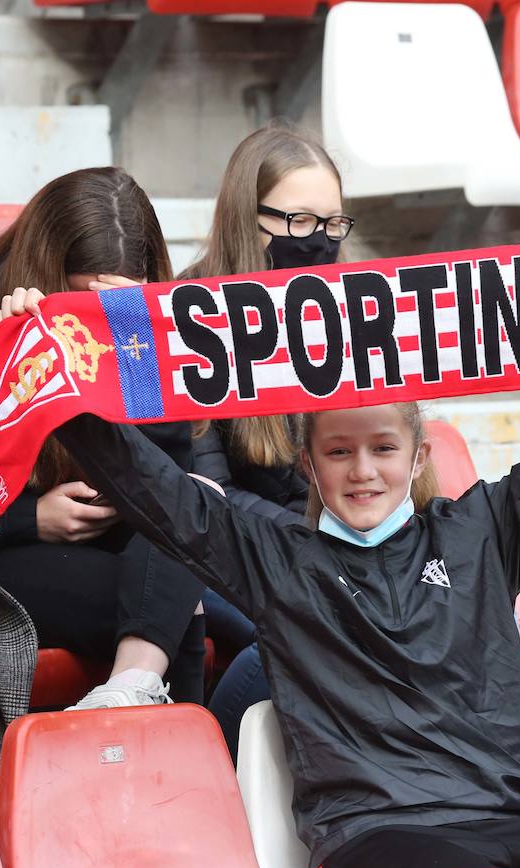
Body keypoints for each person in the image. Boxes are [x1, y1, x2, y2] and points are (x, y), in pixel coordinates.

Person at [0, 219, 520, 868]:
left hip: (514, 820)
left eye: (384, 448)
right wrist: (60, 378)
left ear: (418, 455)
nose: (363, 471)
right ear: (308, 463)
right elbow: (151, 487)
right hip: (378, 836)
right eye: (340, 451)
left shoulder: (485, 528)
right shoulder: (272, 555)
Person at [0, 166, 207, 708]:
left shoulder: (136, 332)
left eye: (121, 301)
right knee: (175, 605)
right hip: (0, 551)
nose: (103, 317)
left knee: (193, 515)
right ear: (46, 275)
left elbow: (171, 483)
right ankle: (176, 749)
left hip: (122, 550)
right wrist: (35, 518)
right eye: (84, 301)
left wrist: (139, 345)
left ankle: (130, 695)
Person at [184, 123, 349, 753]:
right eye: (302, 222)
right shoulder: (189, 317)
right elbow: (206, 493)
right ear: (247, 222)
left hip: (325, 545)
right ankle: (212, 775)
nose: (322, 242)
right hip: (220, 547)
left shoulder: (350, 314)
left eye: (334, 225)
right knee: (305, 630)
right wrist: (312, 541)